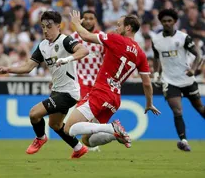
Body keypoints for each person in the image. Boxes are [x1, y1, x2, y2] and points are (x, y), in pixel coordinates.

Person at [0, 11, 89, 158]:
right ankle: (78, 148)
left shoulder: (65, 41)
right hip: (57, 91)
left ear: (58, 26)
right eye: (43, 26)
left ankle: (41, 138)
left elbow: (84, 50)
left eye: (49, 26)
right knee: (55, 125)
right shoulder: (43, 45)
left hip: (69, 93)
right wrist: (8, 69)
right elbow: (28, 67)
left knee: (34, 114)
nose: (45, 30)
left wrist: (67, 59)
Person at [60, 10, 160, 150]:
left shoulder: (116, 39)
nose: (116, 28)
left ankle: (111, 127)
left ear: (128, 28)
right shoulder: (141, 54)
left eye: (119, 25)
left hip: (101, 92)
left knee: (68, 128)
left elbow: (86, 35)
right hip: (114, 98)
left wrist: (76, 23)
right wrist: (149, 103)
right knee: (87, 139)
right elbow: (147, 83)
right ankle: (114, 134)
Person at [152, 9, 204, 152]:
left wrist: (193, 68)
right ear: (161, 22)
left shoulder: (183, 38)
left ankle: (183, 139)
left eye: (170, 21)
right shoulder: (156, 40)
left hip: (187, 79)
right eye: (164, 21)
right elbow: (157, 57)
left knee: (200, 108)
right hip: (170, 81)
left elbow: (198, 55)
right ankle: (183, 140)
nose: (167, 23)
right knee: (177, 110)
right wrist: (156, 73)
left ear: (174, 22)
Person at [70, 10, 105, 152]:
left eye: (92, 18)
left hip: (98, 82)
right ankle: (84, 144)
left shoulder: (102, 38)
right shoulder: (73, 37)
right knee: (83, 112)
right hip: (81, 81)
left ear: (96, 20)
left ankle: (89, 141)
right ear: (82, 21)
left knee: (96, 115)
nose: (89, 21)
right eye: (86, 18)